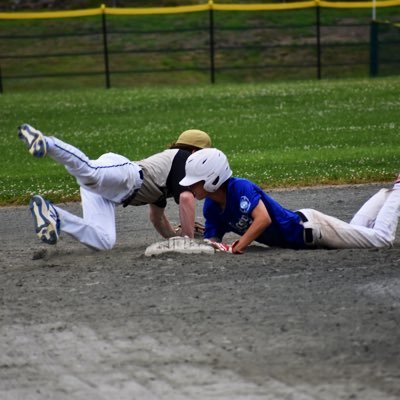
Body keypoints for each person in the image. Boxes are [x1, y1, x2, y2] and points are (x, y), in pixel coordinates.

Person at [18, 124, 211, 250]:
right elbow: (187, 198)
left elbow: (157, 219)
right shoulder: (183, 158)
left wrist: (176, 237)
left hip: (110, 194)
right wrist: (188, 239)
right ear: (195, 152)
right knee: (89, 171)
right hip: (127, 175)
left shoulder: (166, 178)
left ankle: (54, 216)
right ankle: (47, 143)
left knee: (103, 241)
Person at [180, 148, 400, 254]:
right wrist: (207, 246)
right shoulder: (210, 206)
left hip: (312, 228)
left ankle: (398, 190)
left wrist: (237, 246)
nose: (190, 187)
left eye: (195, 182)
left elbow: (263, 220)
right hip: (308, 233)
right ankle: (385, 196)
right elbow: (213, 239)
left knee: (380, 239)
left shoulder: (240, 187)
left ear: (213, 178)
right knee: (356, 232)